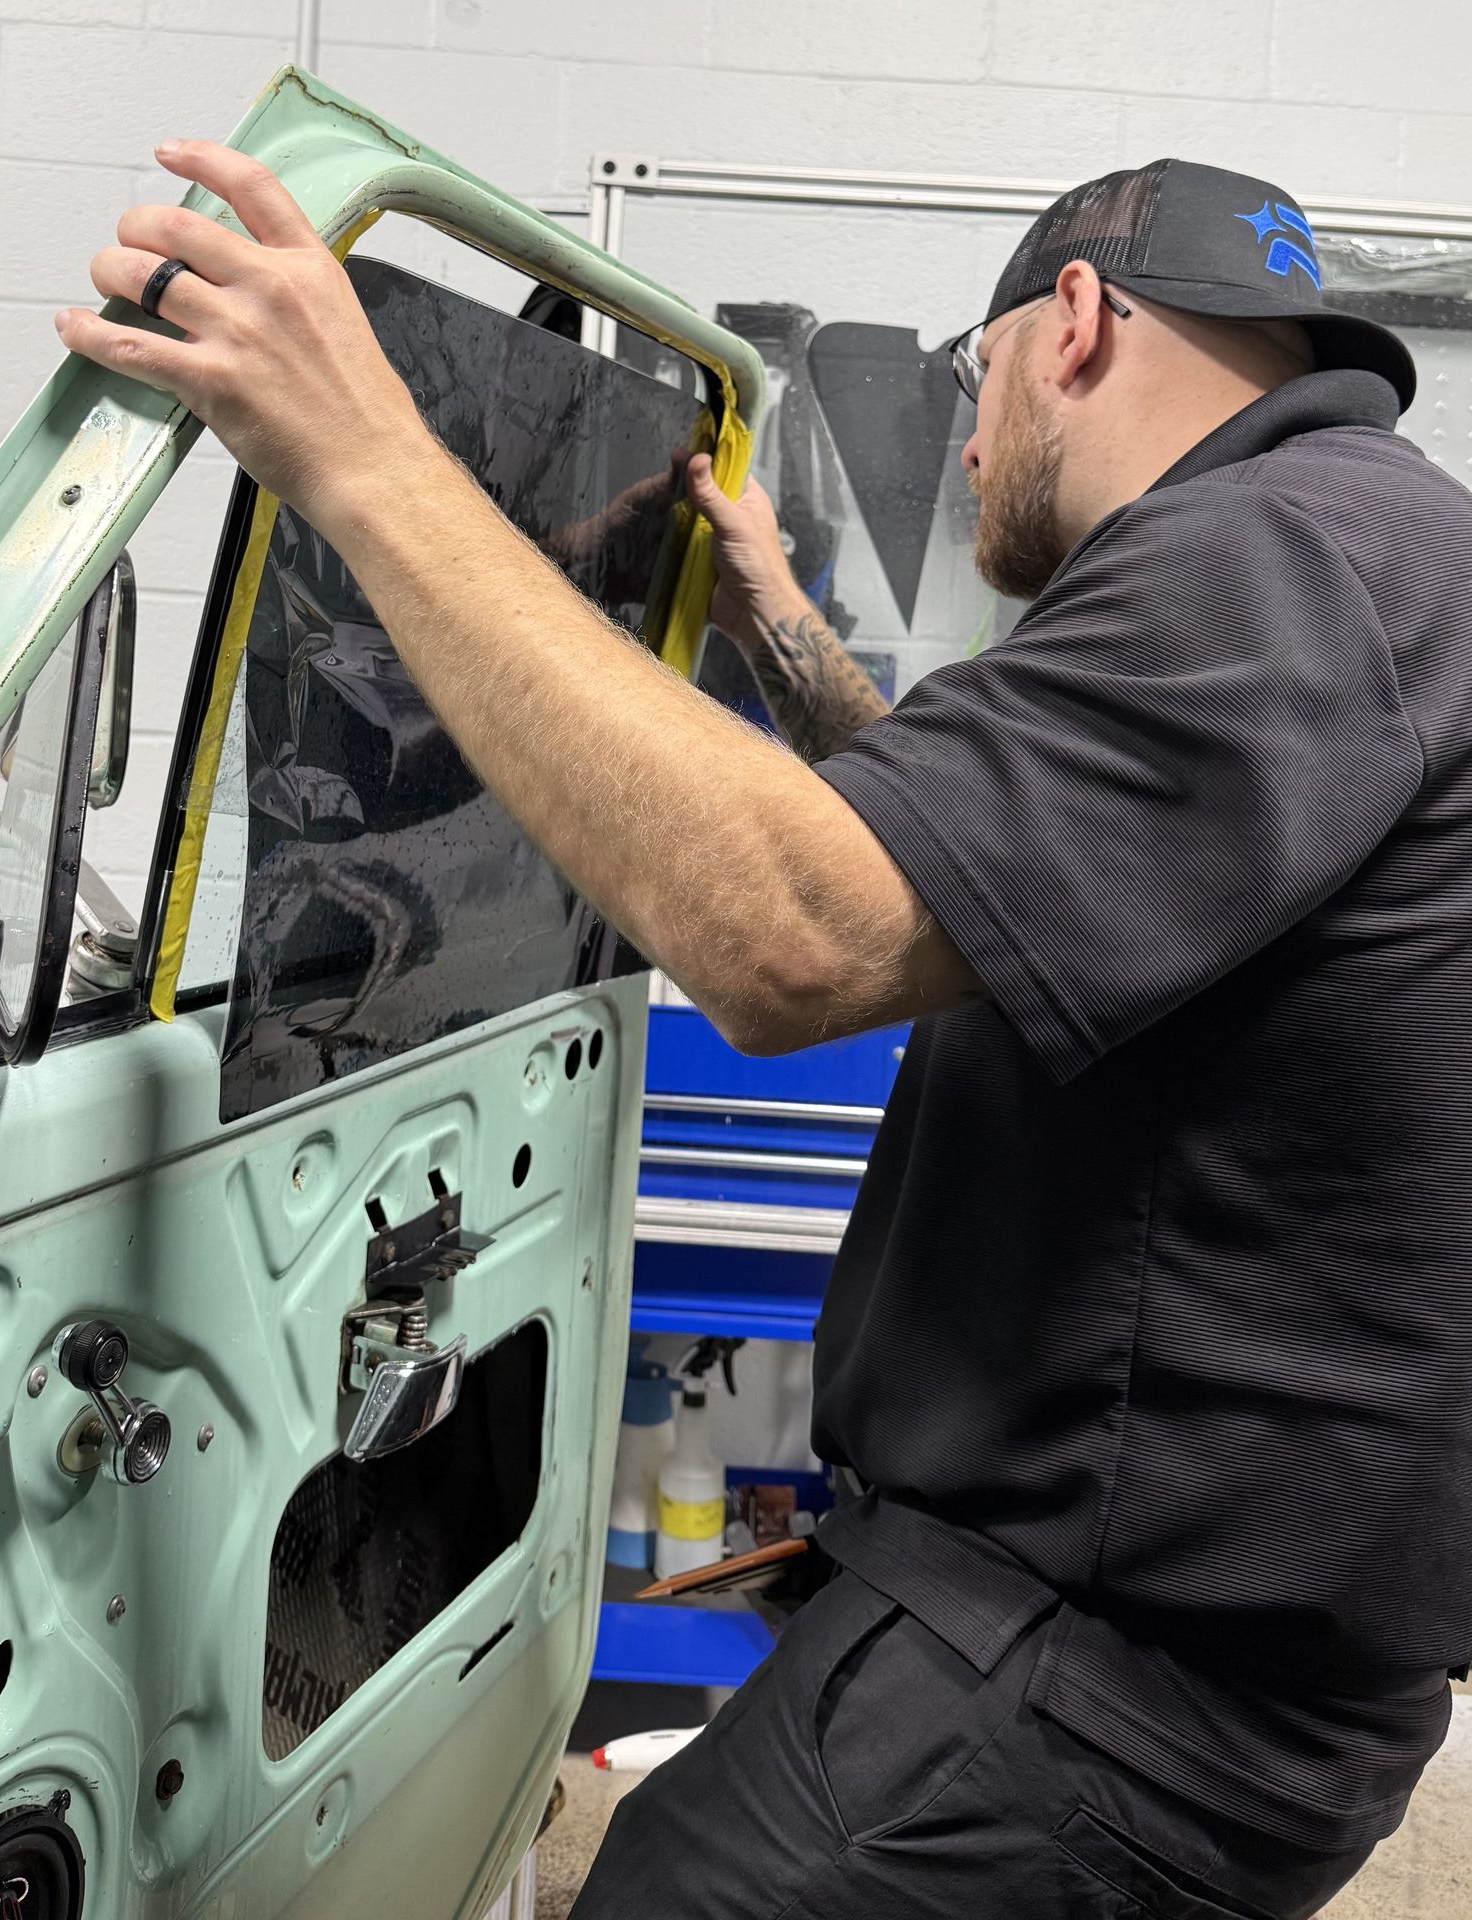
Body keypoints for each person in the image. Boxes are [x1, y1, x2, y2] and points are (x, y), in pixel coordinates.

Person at [59, 151, 1472, 1919]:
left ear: (1084, 324)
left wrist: (354, 449)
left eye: (975, 380)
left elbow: (793, 933)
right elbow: (998, 865)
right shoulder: (1373, 547)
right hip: (1195, 1664)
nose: (963, 446)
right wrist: (780, 631)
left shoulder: (1279, 552)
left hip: (1097, 1691)